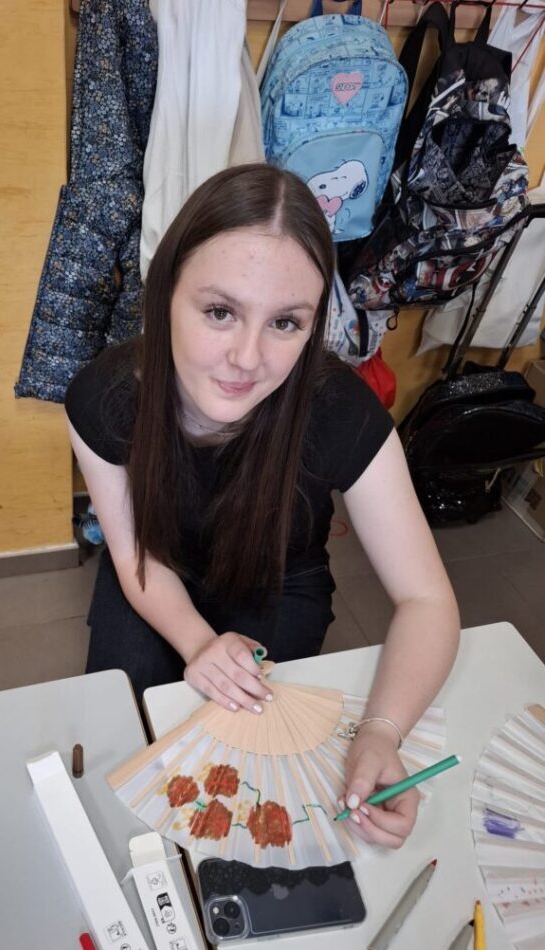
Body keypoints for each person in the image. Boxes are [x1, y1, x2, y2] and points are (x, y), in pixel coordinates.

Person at [65, 164, 460, 849]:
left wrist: (381, 732)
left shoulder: (340, 411)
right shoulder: (104, 398)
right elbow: (132, 553)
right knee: (123, 749)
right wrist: (198, 643)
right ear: (166, 295)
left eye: (285, 322)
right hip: (155, 572)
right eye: (220, 312)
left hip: (278, 585)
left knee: (251, 774)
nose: (247, 358)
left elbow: (427, 599)